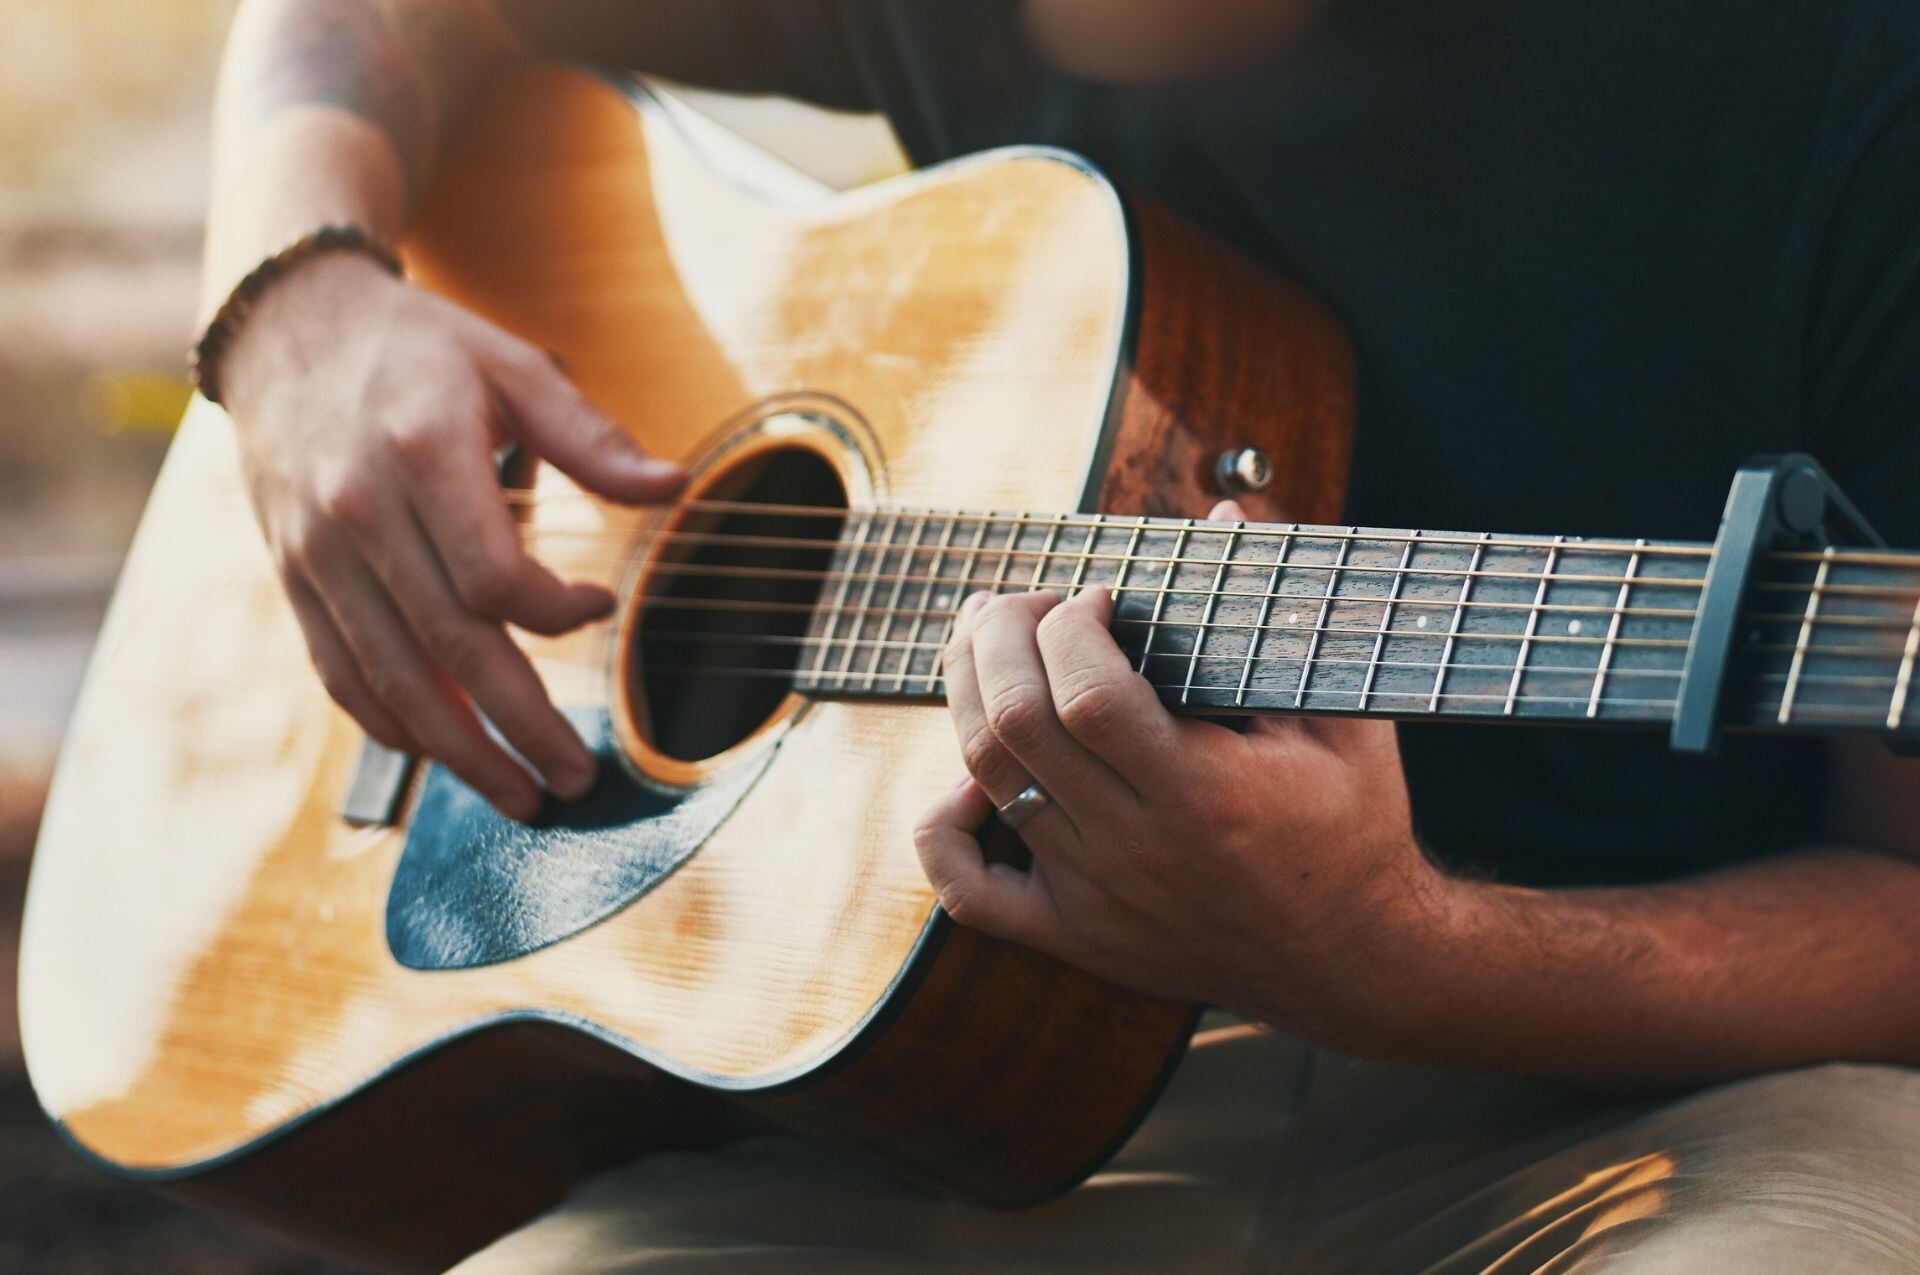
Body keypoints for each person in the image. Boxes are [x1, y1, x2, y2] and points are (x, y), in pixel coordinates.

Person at [196, 1, 1920, 1269]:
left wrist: (1383, 951)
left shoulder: (1853, 93)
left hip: (1666, 1102)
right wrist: (292, 306)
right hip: (922, 1085)